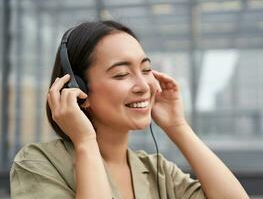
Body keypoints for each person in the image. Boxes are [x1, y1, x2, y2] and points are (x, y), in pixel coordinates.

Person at [10, 20, 249, 199]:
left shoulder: (156, 170)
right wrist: (84, 142)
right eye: (122, 74)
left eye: (145, 70)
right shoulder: (38, 163)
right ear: (78, 88)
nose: (144, 85)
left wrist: (178, 127)